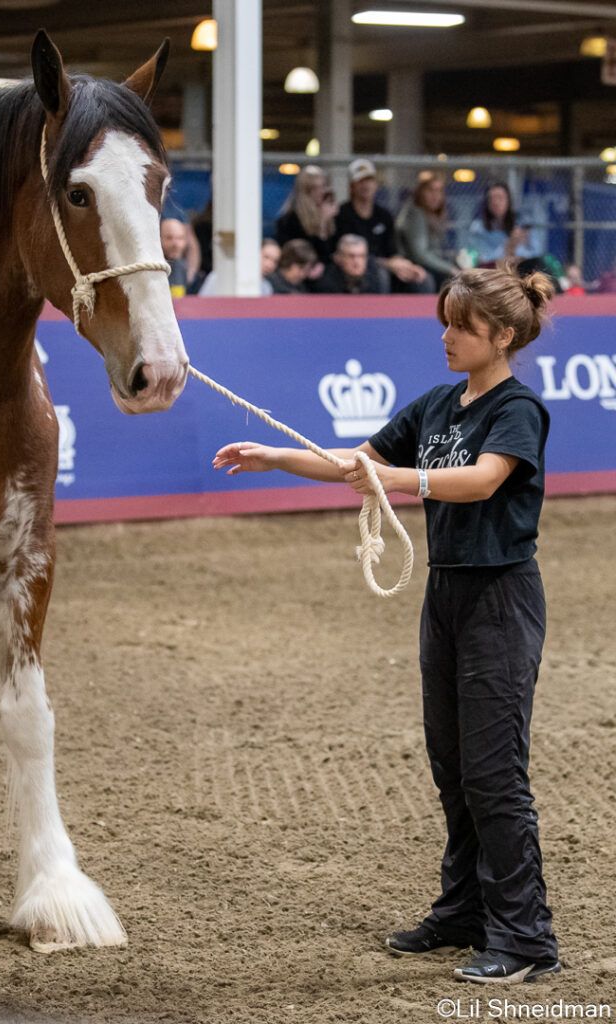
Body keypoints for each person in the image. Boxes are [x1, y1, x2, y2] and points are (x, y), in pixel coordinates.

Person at [212, 264, 561, 986]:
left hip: (501, 596)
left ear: (500, 336)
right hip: (448, 598)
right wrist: (275, 456)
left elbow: (487, 479)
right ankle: (466, 913)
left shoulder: (517, 409)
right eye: (446, 322)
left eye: (462, 326)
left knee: (495, 774)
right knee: (454, 768)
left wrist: (401, 480)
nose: (446, 336)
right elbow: (357, 462)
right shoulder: (437, 405)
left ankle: (527, 938)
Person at [335, 158, 431, 293]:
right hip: (357, 267)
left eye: (369, 180)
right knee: (380, 275)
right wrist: (388, 264)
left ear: (376, 184)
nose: (366, 185)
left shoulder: (384, 215)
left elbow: (392, 250)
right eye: (361, 181)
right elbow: (343, 254)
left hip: (388, 265)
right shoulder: (341, 215)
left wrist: (406, 266)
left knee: (422, 278)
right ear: (352, 186)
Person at [396, 171, 457, 289]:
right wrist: (451, 268)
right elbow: (420, 255)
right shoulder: (414, 213)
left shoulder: (432, 215)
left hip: (428, 266)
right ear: (420, 192)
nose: (435, 196)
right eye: (430, 190)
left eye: (439, 191)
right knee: (449, 279)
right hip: (411, 267)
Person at [274, 165, 337, 270]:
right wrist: (322, 224)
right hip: (302, 273)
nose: (321, 192)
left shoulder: (331, 217)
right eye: (316, 188)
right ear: (305, 191)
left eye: (324, 186)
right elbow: (310, 255)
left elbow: (332, 254)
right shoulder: (290, 220)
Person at [467, 182, 540, 267]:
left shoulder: (522, 223)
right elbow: (484, 259)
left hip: (521, 268)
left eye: (500, 198)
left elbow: (536, 253)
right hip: (493, 272)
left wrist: (517, 250)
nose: (496, 202)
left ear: (509, 201)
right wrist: (509, 246)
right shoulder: (478, 228)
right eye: (491, 199)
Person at [312, 234, 388, 295]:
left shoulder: (376, 278)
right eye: (351, 256)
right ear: (338, 258)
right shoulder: (326, 284)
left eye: (362, 256)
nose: (357, 262)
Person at [161, 218, 191, 297]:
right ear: (159, 239)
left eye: (179, 238)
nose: (175, 244)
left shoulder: (183, 268)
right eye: (169, 238)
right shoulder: (152, 270)